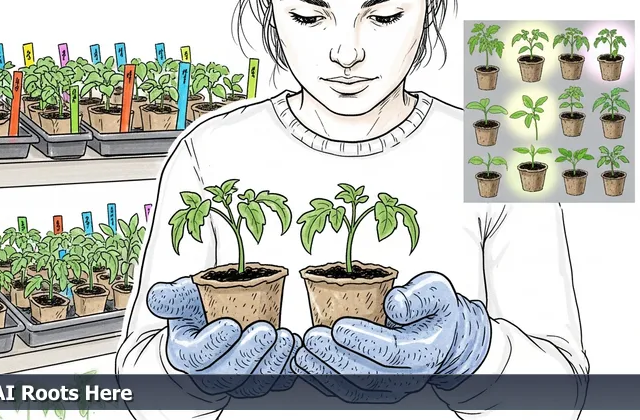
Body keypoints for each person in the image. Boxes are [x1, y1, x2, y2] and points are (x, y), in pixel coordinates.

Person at [115, 0, 589, 419]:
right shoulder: (209, 151)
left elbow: (564, 389)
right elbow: (137, 384)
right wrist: (182, 374)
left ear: (430, 10)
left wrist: (473, 351)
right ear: (267, 13)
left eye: (383, 17)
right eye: (307, 16)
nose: (346, 53)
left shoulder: (501, 152)